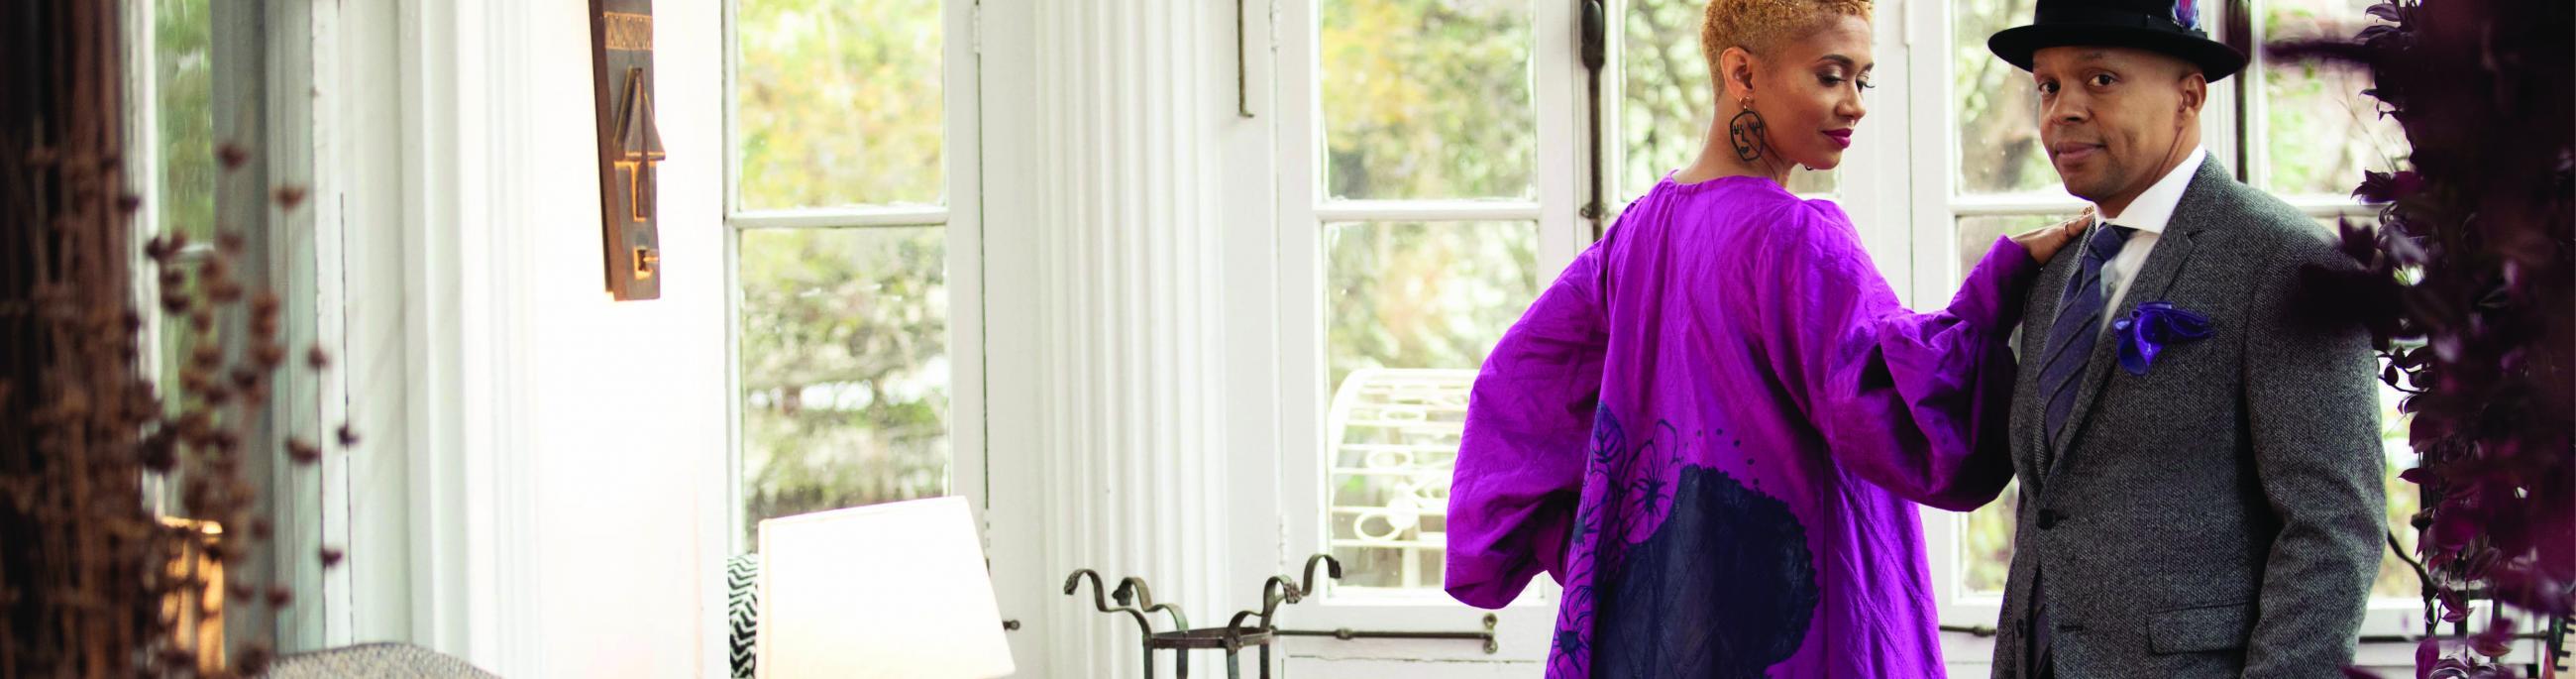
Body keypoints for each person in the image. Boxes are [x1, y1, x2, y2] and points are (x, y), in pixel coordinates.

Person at [1442, 0, 2087, 675]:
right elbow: (1903, 410)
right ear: (1742, 72)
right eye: (1830, 75)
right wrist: (1998, 285)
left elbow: (1518, 389)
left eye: (1862, 80)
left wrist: (1599, 539)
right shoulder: (1798, 237)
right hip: (1801, 630)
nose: (1854, 104)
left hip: (1665, 626)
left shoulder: (1638, 231)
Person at [1981, 0, 2388, 675]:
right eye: (2048, 86)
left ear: (2188, 95)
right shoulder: (2054, 275)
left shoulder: (2286, 264)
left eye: (2100, 79)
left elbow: (2332, 531)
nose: (2063, 111)